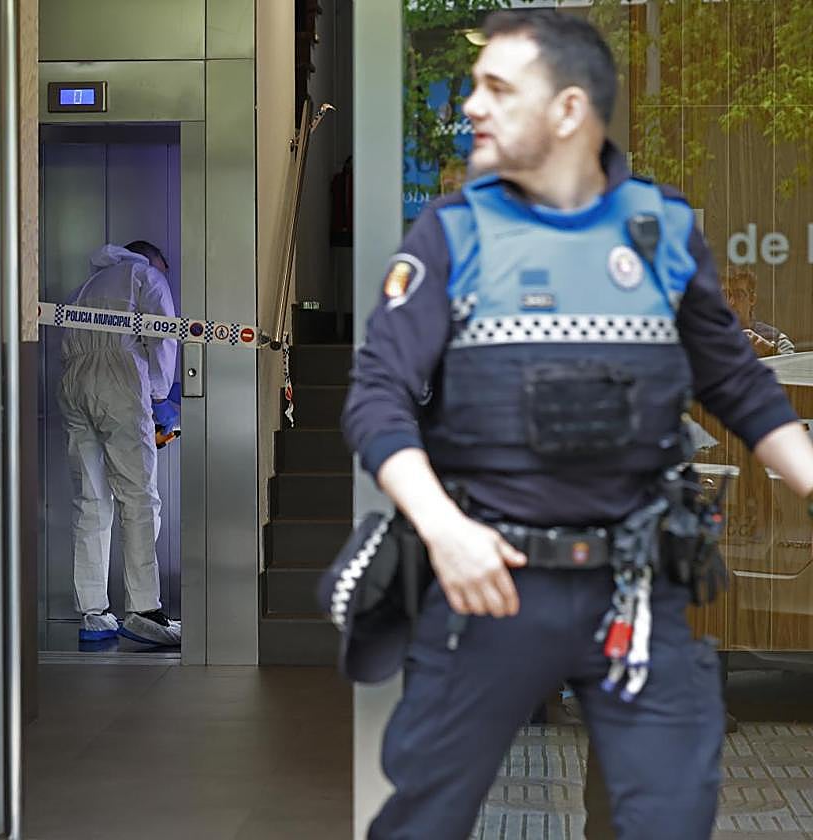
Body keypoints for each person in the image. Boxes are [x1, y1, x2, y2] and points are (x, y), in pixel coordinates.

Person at [342, 11, 813, 839]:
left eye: (497, 89)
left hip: (636, 589)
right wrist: (442, 528)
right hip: (485, 584)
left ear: (566, 110)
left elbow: (735, 382)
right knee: (420, 820)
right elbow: (377, 393)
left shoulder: (661, 230)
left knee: (666, 818)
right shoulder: (452, 236)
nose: (471, 109)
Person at [58, 241, 182, 646]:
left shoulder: (86, 286)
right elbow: (162, 333)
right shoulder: (147, 276)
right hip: (119, 379)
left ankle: (93, 611)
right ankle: (145, 609)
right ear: (153, 259)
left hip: (74, 382)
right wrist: (160, 395)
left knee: (92, 500)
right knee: (139, 496)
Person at [722, 266, 796, 356]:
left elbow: (792, 366)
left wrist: (769, 350)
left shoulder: (775, 338)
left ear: (752, 299)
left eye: (739, 295)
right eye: (725, 295)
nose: (731, 302)